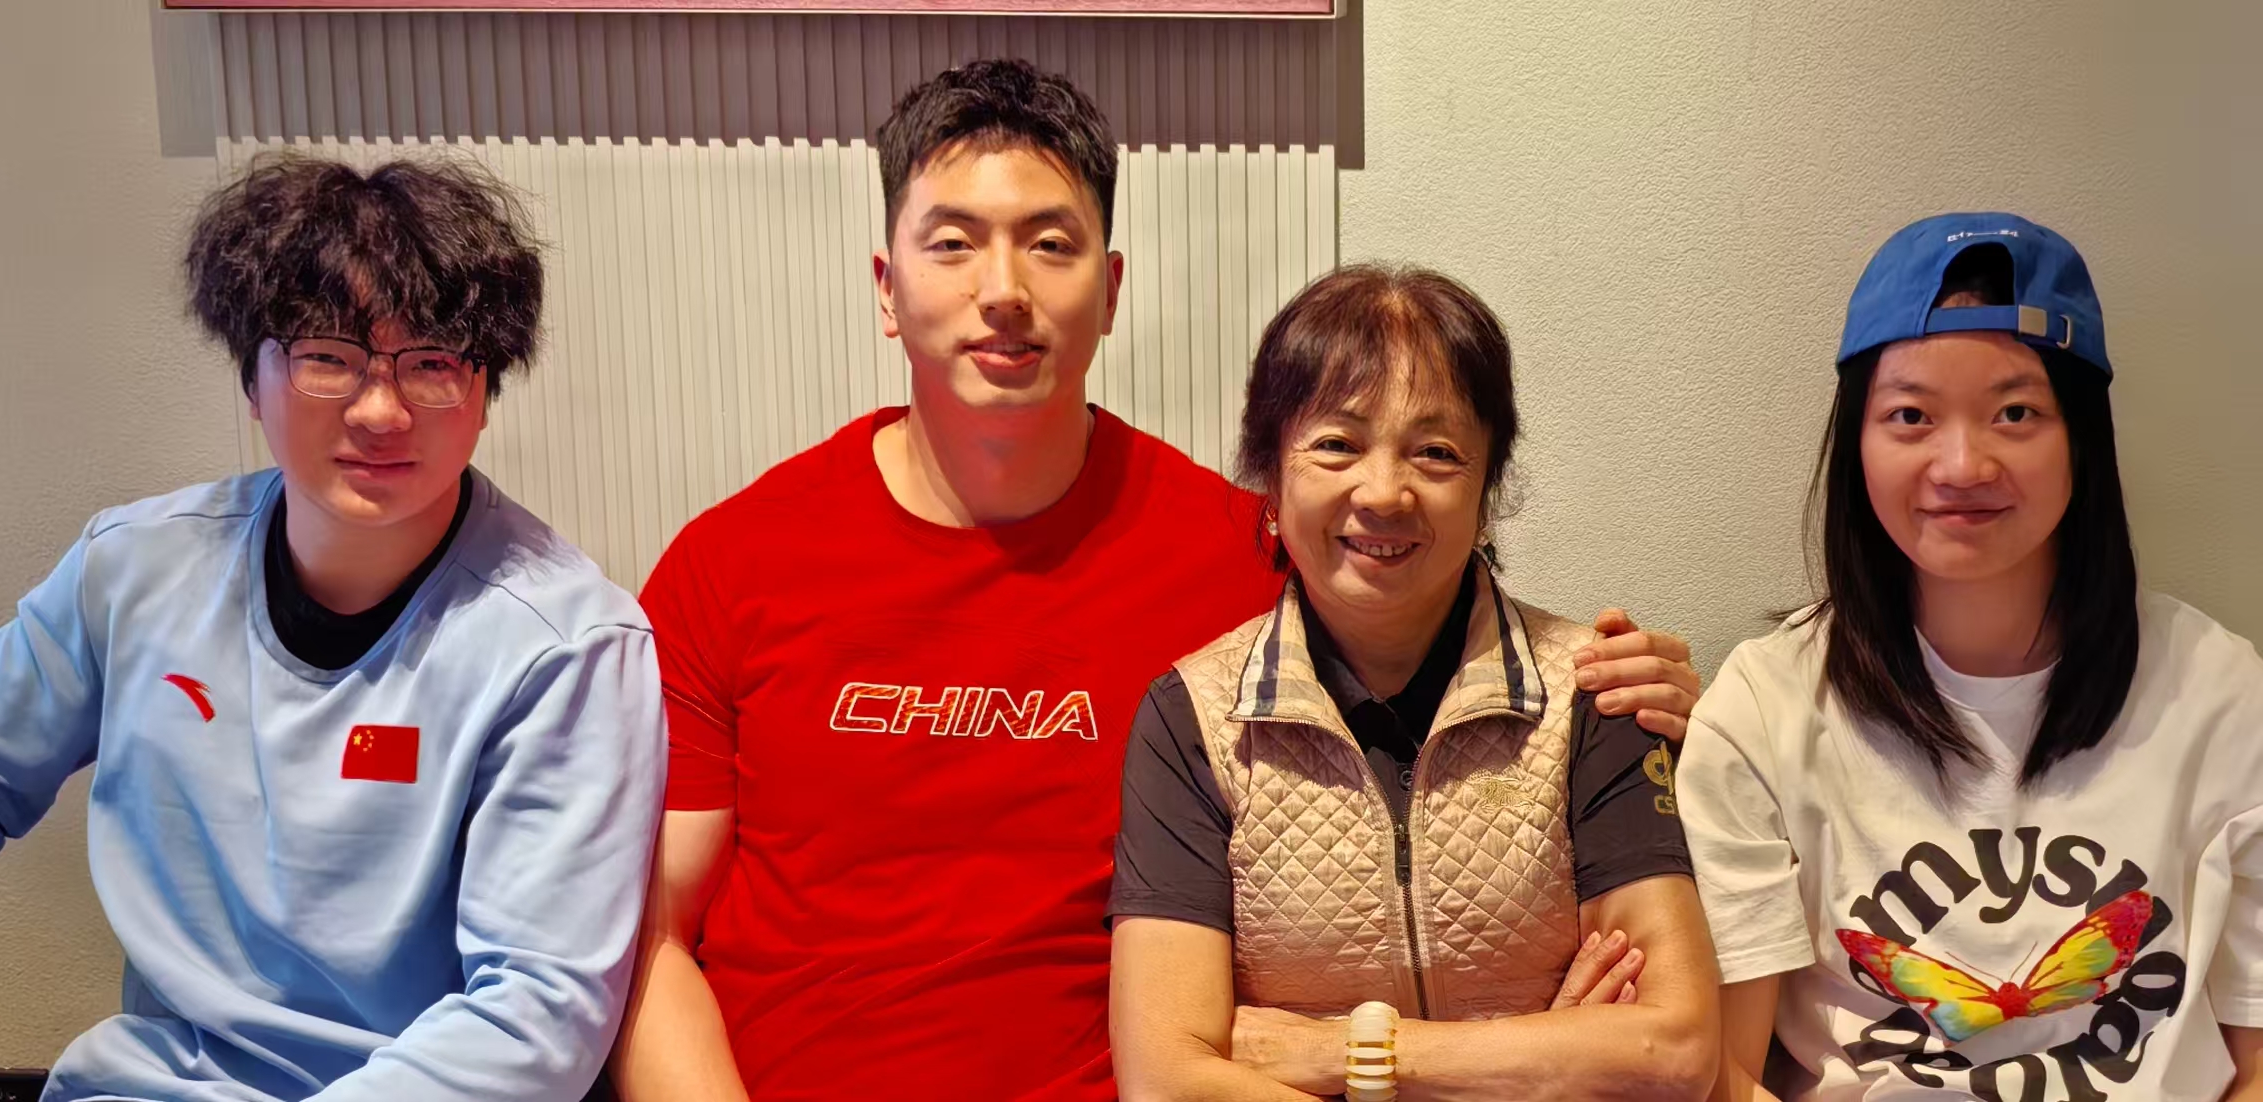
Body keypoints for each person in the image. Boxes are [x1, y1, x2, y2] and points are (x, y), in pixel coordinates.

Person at [611, 59, 1703, 1102]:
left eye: (1051, 244)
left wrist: (1654, 698)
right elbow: (648, 936)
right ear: (888, 289)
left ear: (1111, 289)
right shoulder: (731, 563)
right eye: (953, 244)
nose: (1004, 291)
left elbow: (1440, 641)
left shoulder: (1246, 548)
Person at [0, 155, 665, 1102]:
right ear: (254, 377)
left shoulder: (566, 649)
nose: (380, 410)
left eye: (432, 364)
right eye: (327, 357)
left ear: (483, 394)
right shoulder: (139, 568)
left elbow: (534, 1013)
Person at [1679, 213, 2263, 1100]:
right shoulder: (1763, 709)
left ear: (2083, 436)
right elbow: (1723, 1074)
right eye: (1910, 415)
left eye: (2015, 412)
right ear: (1858, 441)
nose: (1961, 464)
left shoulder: (2221, 695)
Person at [1107, 264, 1721, 1100]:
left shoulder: (1595, 692)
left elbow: (1674, 1049)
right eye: (1337, 444)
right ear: (1271, 476)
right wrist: (1541, 1059)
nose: (1385, 493)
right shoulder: (1193, 719)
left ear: (1487, 489)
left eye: (1436, 452)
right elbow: (1165, 1081)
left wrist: (1342, 1053)